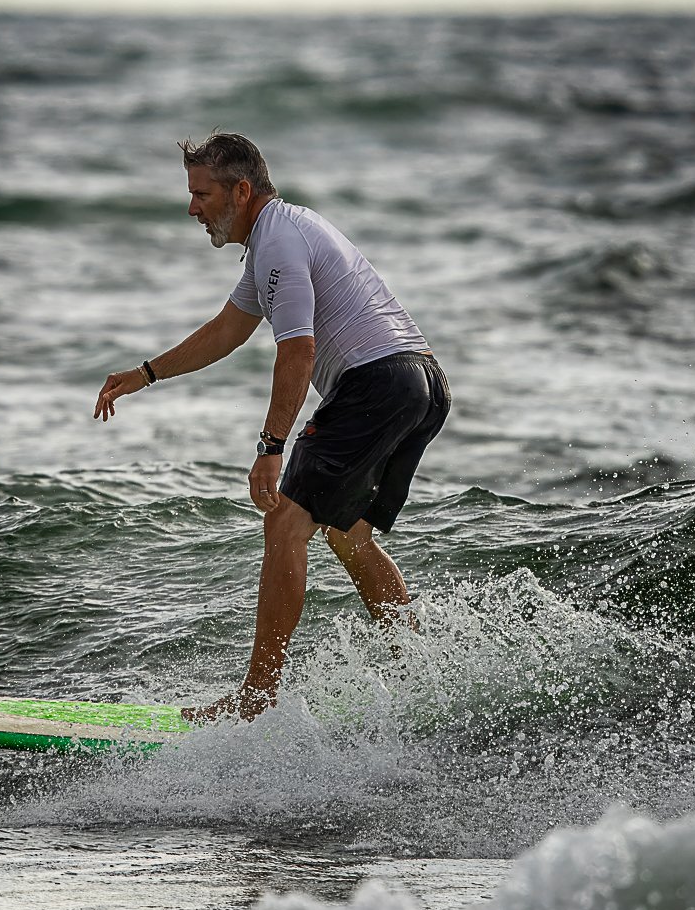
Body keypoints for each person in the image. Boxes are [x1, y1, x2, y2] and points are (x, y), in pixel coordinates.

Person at [93, 133, 450, 721]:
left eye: (201, 193)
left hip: (377, 383)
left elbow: (299, 351)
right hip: (423, 385)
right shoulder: (280, 236)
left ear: (240, 190)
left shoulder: (279, 240)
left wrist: (271, 447)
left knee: (285, 520)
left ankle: (256, 698)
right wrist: (146, 374)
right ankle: (419, 672)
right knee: (347, 532)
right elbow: (227, 330)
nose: (192, 208)